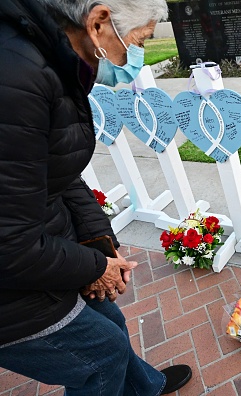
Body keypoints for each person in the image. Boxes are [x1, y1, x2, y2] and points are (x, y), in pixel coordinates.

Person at [0, 1, 192, 394]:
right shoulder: (18, 79)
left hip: (39, 239)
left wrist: (103, 247)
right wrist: (92, 266)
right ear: (99, 22)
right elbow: (10, 244)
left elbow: (59, 174)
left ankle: (144, 388)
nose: (137, 55)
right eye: (140, 40)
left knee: (111, 324)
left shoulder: (50, 60)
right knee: (100, 355)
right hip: (10, 285)